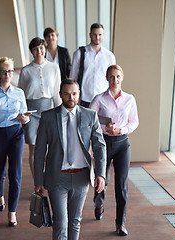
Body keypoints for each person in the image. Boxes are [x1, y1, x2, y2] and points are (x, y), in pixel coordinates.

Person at [34, 79, 106, 240]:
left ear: (79, 94)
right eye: (66, 94)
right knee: (60, 222)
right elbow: (39, 151)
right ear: (60, 95)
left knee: (75, 220)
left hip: (82, 177)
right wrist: (38, 179)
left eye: (74, 93)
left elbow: (99, 147)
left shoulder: (90, 116)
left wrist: (100, 174)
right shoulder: (48, 117)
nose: (70, 97)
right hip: (57, 176)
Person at [0, 57, 31, 227]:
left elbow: (24, 116)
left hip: (16, 134)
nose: (7, 74)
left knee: (15, 175)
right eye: (4, 71)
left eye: (10, 71)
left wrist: (24, 119)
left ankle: (12, 212)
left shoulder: (19, 93)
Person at [90, 65, 139, 236]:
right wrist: (105, 127)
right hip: (103, 143)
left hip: (122, 144)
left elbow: (134, 122)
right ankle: (99, 203)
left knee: (122, 185)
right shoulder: (99, 99)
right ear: (107, 78)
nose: (115, 80)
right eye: (111, 77)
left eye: (118, 76)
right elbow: (89, 120)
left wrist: (121, 130)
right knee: (101, 179)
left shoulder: (129, 99)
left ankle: (120, 223)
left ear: (122, 78)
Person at [18, 37, 62, 177]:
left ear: (45, 49)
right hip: (31, 112)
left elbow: (56, 92)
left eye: (41, 48)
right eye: (35, 49)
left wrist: (60, 112)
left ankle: (48, 177)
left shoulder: (54, 67)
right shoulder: (26, 71)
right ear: (32, 51)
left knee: (49, 147)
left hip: (48, 110)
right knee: (34, 147)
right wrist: (22, 115)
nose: (39, 51)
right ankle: (37, 180)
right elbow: (21, 94)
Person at [69, 23, 116, 108]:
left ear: (103, 35)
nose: (97, 38)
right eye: (94, 35)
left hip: (104, 100)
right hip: (84, 99)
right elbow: (73, 77)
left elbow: (113, 78)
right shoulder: (79, 53)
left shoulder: (109, 56)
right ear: (90, 35)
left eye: (100, 35)